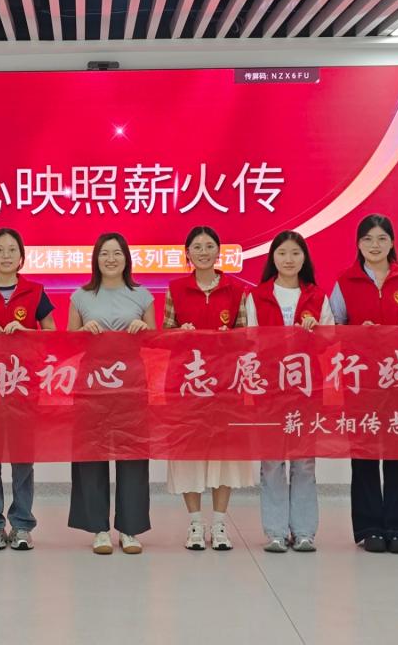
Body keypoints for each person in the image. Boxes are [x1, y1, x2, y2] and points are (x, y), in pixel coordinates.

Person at [329, 214, 398, 555]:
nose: (375, 245)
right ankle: (369, 527)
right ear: (358, 244)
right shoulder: (345, 281)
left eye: (382, 238)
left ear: (392, 243)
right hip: (361, 380)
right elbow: (334, 327)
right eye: (368, 239)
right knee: (365, 454)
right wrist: (358, 333)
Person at [0, 228, 56, 551]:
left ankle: (21, 526)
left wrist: (29, 333)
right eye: (0, 250)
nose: (6, 255)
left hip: (23, 387)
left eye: (12, 250)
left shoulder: (35, 292)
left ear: (21, 257)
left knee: (22, 461)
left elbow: (52, 332)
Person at [164, 226, 252, 551]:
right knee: (189, 453)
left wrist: (231, 338)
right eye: (197, 247)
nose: (203, 252)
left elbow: (246, 336)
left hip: (226, 384)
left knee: (224, 454)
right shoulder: (176, 289)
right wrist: (180, 333)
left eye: (209, 246)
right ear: (187, 253)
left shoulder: (236, 290)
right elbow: (165, 334)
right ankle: (195, 525)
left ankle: (219, 524)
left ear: (219, 251)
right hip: (187, 385)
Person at [67, 232, 155, 555]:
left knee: (132, 453)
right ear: (96, 259)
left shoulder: (142, 296)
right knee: (91, 454)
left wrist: (144, 330)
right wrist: (81, 332)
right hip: (92, 385)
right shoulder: (81, 296)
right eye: (104, 253)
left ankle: (130, 529)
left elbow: (154, 341)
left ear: (126, 258)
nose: (111, 259)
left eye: (117, 253)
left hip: (131, 384)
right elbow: (68, 343)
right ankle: (99, 529)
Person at [247, 231, 334, 553]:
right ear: (273, 257)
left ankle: (305, 531)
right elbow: (250, 341)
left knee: (304, 462)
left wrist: (316, 332)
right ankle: (275, 531)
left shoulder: (317, 296)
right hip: (270, 389)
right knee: (272, 462)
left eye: (295, 253)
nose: (288, 259)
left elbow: (330, 340)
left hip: (306, 389)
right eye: (282, 253)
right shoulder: (257, 296)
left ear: (304, 258)